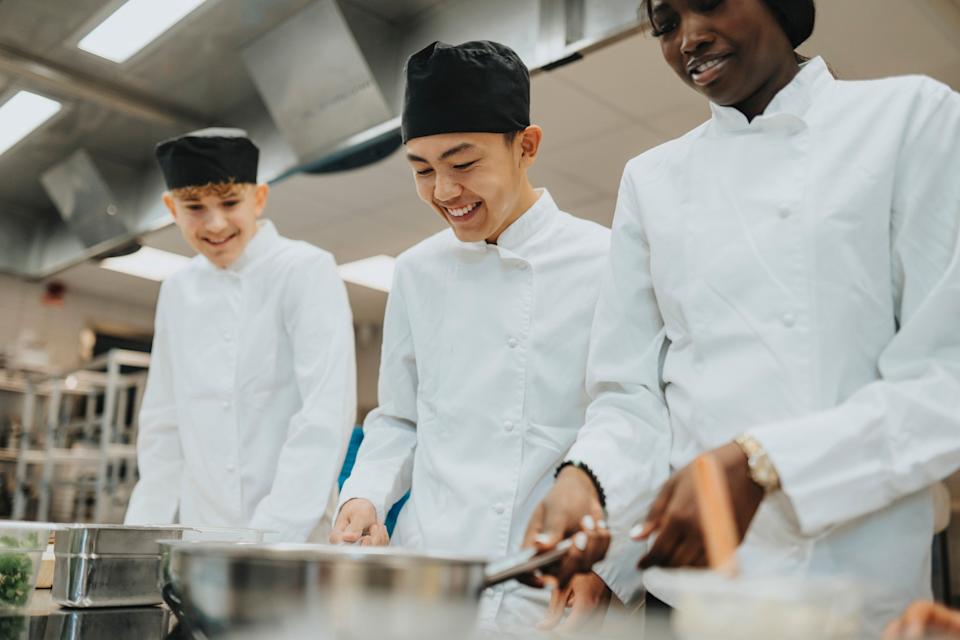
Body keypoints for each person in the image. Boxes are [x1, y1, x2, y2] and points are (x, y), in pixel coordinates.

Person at [524, 0, 960, 635]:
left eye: (710, 3)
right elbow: (630, 397)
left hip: (852, 592)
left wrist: (766, 462)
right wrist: (583, 479)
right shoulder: (651, 181)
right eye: (665, 23)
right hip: (692, 597)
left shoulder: (910, 119)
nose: (690, 38)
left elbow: (946, 381)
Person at [330, 41, 643, 632]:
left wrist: (614, 563)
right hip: (429, 578)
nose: (443, 191)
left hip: (552, 584)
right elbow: (398, 419)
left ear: (526, 146)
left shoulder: (606, 258)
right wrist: (362, 496)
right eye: (421, 169)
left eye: (463, 163)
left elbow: (635, 417)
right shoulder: (416, 271)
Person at [125, 128, 357, 542]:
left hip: (291, 538)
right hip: (200, 537)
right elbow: (163, 423)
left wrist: (268, 535)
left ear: (259, 199)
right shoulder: (176, 290)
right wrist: (137, 540)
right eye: (194, 207)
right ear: (171, 208)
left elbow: (323, 415)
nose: (215, 224)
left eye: (230, 203)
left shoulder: (305, 270)